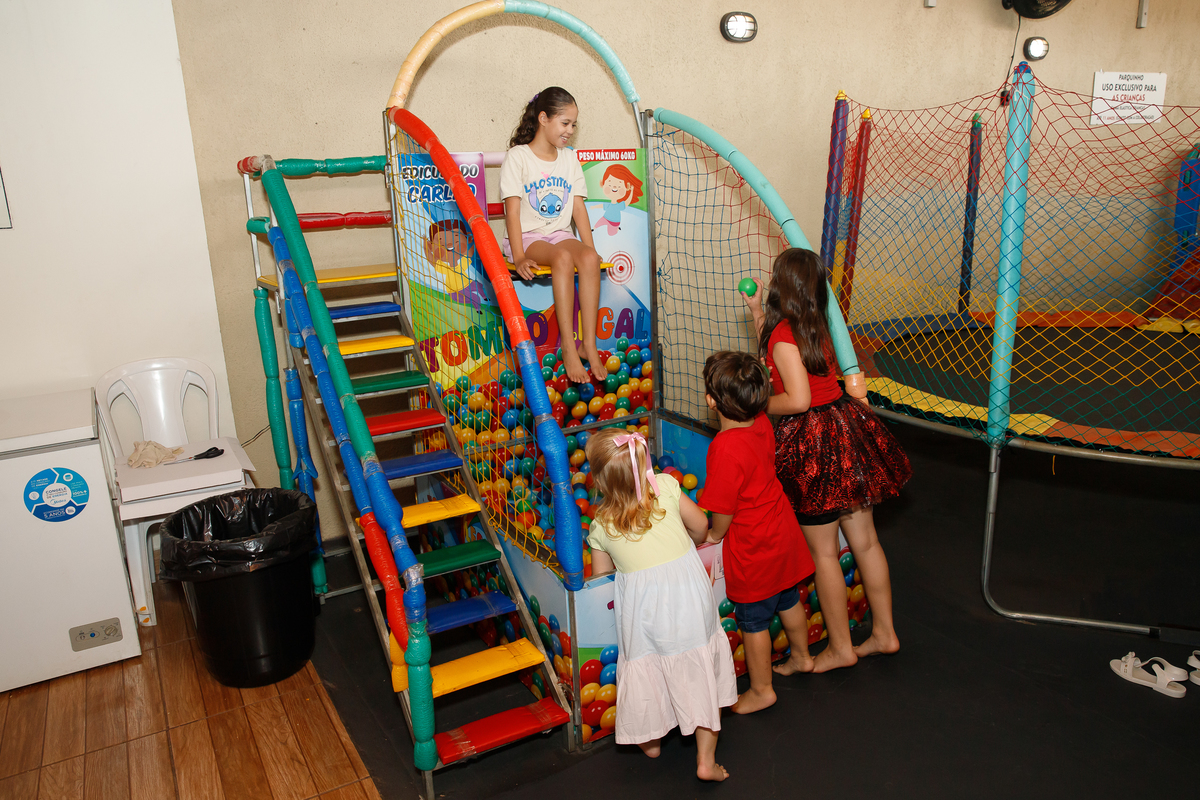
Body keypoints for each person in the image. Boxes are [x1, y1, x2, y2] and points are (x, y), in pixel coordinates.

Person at [743, 247, 912, 673]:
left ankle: (840, 648)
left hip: (814, 441)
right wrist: (756, 313)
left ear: (782, 287)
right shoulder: (817, 323)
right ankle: (885, 633)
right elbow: (784, 352)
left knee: (824, 554)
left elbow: (798, 399)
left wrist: (761, 404)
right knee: (866, 542)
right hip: (845, 427)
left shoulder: (784, 335)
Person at [585, 428, 736, 782]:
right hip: (688, 598)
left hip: (644, 611)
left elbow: (601, 579)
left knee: (647, 667)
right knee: (699, 668)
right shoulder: (666, 486)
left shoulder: (601, 525)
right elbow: (701, 526)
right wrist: (689, 540)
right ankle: (705, 761)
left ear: (601, 482)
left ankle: (650, 741)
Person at [698, 351, 817, 714]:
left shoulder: (724, 448)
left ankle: (762, 690)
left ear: (711, 401)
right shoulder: (763, 420)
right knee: (789, 599)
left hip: (755, 545)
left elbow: (723, 509)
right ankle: (802, 657)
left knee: (754, 621)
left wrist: (714, 535)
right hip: (782, 527)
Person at [500, 86, 604, 382]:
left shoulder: (569, 159)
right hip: (528, 238)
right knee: (561, 258)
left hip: (558, 234)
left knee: (587, 258)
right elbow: (512, 212)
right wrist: (519, 256)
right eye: (565, 123)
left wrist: (591, 250)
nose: (570, 130)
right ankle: (568, 347)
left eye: (574, 125)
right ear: (543, 118)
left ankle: (588, 344)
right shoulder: (518, 157)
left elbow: (578, 209)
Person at [592, 163, 643, 235]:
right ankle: (593, 228)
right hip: (606, 217)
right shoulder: (609, 205)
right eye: (609, 185)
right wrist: (594, 206)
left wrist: (631, 191)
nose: (614, 187)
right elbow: (602, 205)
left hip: (614, 222)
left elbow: (628, 201)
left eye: (619, 186)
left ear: (627, 187)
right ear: (602, 183)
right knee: (599, 222)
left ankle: (617, 229)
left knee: (611, 233)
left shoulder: (619, 206)